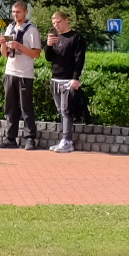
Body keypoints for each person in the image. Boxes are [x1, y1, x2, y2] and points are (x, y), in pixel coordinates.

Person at [0, 0, 44, 150]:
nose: (15, 15)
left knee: (26, 107)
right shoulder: (10, 27)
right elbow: (5, 54)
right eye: (13, 12)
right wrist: (3, 43)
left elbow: (37, 54)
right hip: (10, 71)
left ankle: (30, 138)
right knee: (10, 107)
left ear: (25, 12)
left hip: (24, 74)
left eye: (18, 12)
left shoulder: (31, 30)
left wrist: (20, 46)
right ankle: (11, 138)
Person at [44, 9, 88, 150]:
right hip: (55, 79)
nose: (56, 25)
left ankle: (67, 141)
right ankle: (64, 139)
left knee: (66, 111)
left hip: (68, 80)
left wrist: (75, 78)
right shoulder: (55, 38)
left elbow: (79, 59)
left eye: (59, 22)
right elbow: (49, 58)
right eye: (54, 23)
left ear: (66, 20)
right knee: (61, 111)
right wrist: (48, 45)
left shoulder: (76, 38)